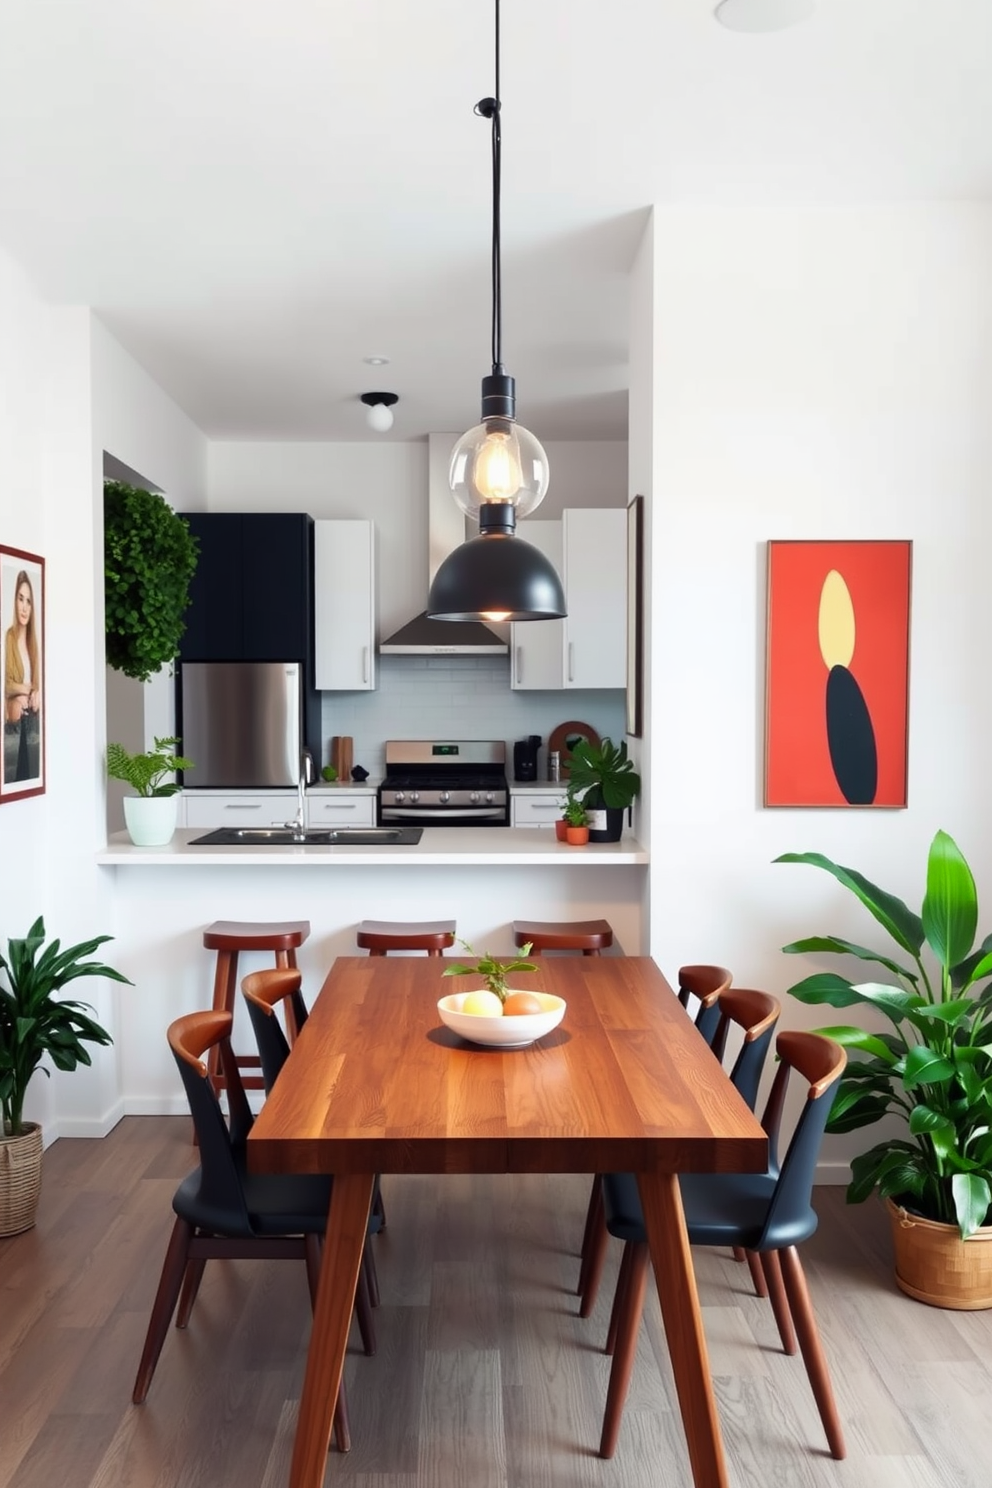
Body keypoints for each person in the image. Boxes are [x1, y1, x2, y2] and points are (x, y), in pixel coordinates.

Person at [4, 569, 41, 784]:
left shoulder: (33, 643)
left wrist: (36, 691)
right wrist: (24, 689)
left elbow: (36, 681)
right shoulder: (8, 638)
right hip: (13, 725)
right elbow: (6, 683)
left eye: (28, 600)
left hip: (31, 724)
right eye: (20, 599)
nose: (24, 606)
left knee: (29, 774)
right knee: (13, 775)